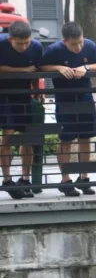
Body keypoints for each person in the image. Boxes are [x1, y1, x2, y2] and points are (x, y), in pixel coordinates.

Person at [40, 22, 96, 197]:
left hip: (85, 97)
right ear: (64, 41)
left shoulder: (90, 45)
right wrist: (59, 68)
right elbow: (41, 67)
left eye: (80, 42)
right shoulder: (54, 50)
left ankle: (83, 177)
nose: (78, 47)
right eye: (73, 44)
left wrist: (86, 68)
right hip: (64, 100)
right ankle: (66, 180)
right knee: (66, 140)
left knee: (86, 138)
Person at [0, 21, 43, 199]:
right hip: (4, 94)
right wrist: (24, 70)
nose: (24, 46)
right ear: (10, 39)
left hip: (25, 95)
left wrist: (36, 89)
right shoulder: (1, 44)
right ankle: (7, 180)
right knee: (8, 135)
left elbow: (37, 69)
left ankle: (25, 179)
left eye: (27, 42)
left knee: (27, 137)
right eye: (20, 43)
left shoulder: (36, 47)